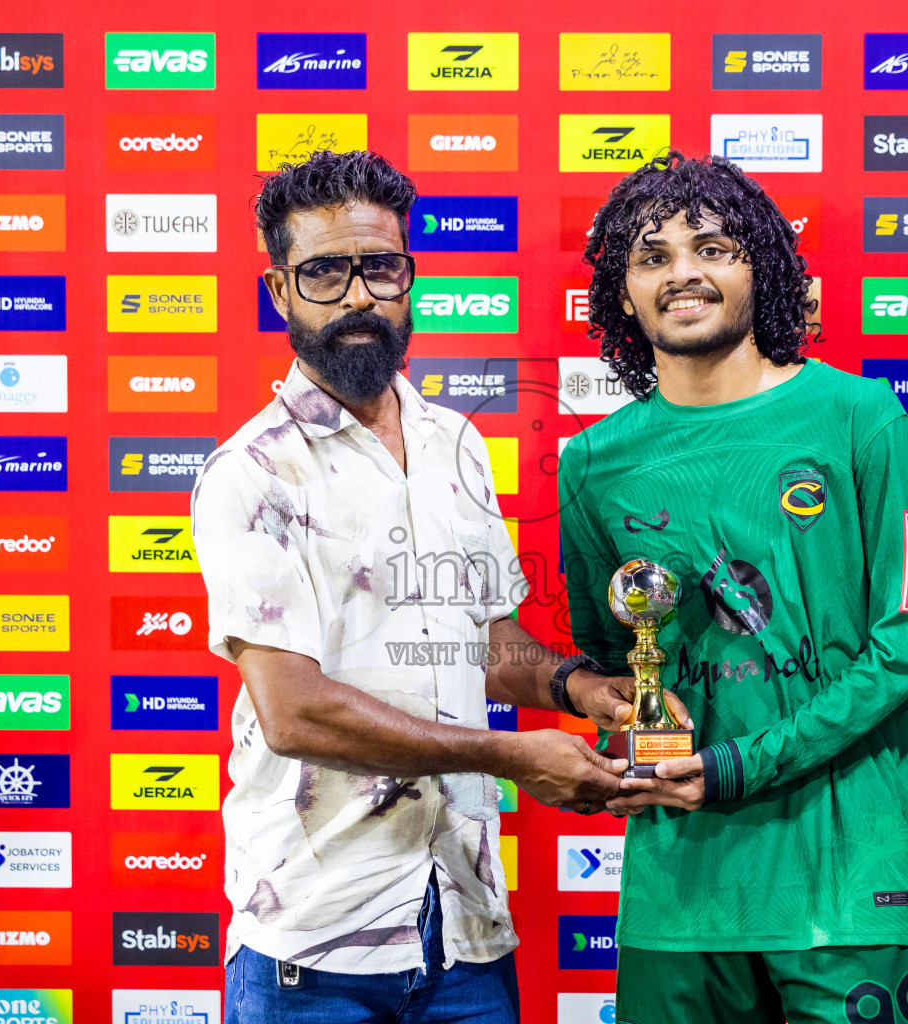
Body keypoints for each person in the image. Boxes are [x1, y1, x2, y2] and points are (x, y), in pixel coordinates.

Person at [193, 149, 647, 1024]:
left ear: (409, 277)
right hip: (313, 950)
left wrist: (577, 688)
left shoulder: (454, 443)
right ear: (279, 290)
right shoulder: (251, 472)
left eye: (380, 268)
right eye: (324, 273)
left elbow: (487, 642)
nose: (358, 297)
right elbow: (294, 712)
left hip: (466, 932)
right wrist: (512, 757)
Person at [557, 152, 908, 1024]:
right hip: (680, 892)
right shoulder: (591, 462)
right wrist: (624, 718)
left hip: (844, 882)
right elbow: (616, 661)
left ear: (762, 268)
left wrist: (741, 765)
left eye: (712, 248)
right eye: (652, 257)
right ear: (622, 293)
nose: (683, 273)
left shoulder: (860, 417)